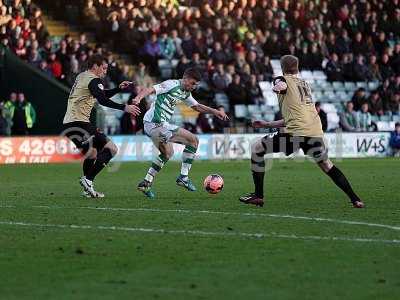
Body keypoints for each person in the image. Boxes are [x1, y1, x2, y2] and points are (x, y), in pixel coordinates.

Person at [239, 55, 364, 208]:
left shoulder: (282, 79)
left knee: (257, 148)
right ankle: (355, 198)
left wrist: (277, 87)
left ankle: (258, 195)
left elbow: (281, 85)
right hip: (314, 131)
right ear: (297, 68)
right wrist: (266, 123)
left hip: (295, 133)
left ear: (283, 68)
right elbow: (295, 116)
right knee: (327, 165)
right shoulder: (305, 84)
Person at [132, 68, 229, 198]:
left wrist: (216, 112)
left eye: (196, 84)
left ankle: (146, 182)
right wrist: (138, 98)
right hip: (156, 124)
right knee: (193, 140)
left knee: (168, 153)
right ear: (185, 78)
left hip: (155, 125)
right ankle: (183, 177)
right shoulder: (172, 84)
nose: (194, 87)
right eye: (193, 83)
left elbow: (197, 106)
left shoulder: (185, 93)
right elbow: (150, 89)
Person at [62, 54, 140, 198]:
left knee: (92, 153)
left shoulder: (82, 76)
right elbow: (102, 100)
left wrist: (117, 89)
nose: (105, 71)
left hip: (69, 123)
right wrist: (125, 107)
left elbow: (100, 94)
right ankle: (88, 180)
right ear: (95, 66)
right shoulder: (94, 80)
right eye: (103, 68)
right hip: (80, 122)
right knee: (112, 148)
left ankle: (87, 188)